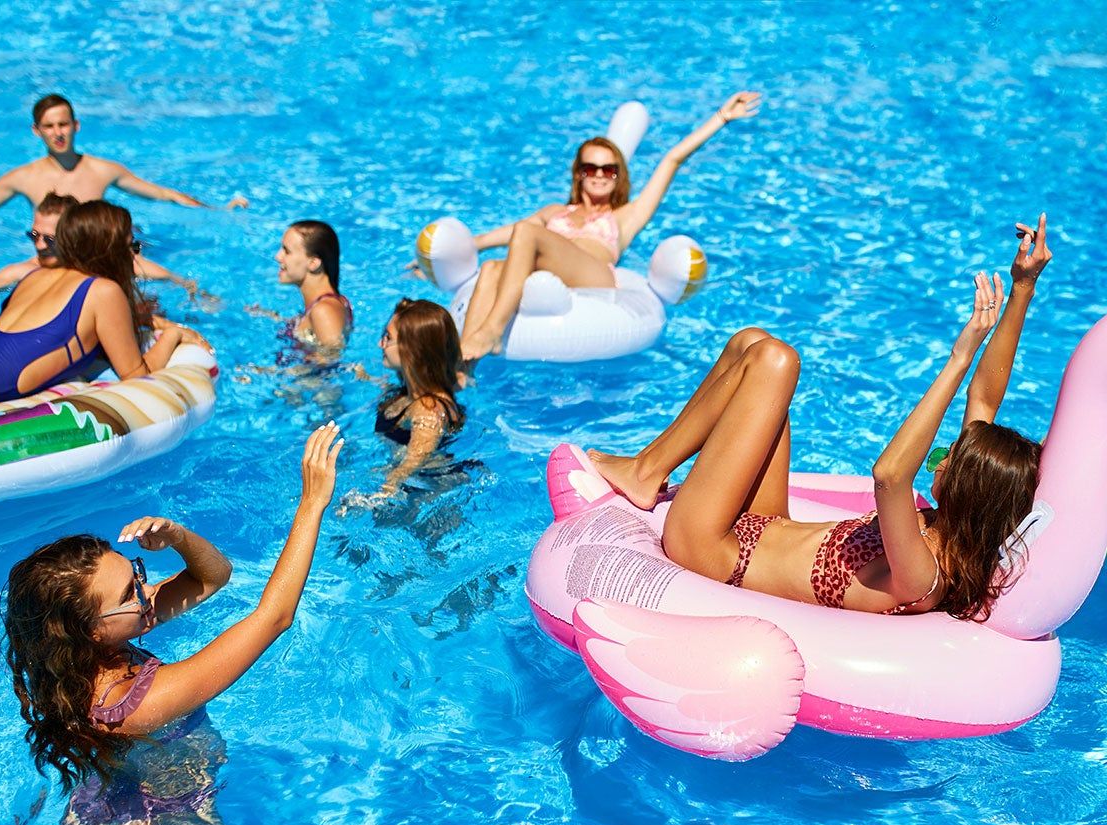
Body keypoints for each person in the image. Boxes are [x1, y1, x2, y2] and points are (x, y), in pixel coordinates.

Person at [589, 216, 1054, 621]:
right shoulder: (947, 526)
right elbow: (986, 400)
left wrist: (960, 355)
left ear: (969, 490)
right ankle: (648, 464)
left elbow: (890, 476)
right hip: (763, 524)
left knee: (776, 360)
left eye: (946, 460)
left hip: (715, 552)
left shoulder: (925, 575)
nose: (940, 457)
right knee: (751, 343)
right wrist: (1022, 288)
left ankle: (646, 471)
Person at [1, 424, 340, 825]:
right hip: (165, 803)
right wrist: (311, 504)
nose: (146, 591)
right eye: (129, 592)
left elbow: (211, 578)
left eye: (137, 574)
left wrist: (178, 536)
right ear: (89, 629)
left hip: (130, 785)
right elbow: (276, 616)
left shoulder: (85, 659)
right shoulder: (142, 702)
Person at [458, 91, 762, 362]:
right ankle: (462, 365)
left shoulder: (625, 216)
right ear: (579, 173)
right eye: (591, 168)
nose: (600, 175)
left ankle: (493, 331)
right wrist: (452, 253)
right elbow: (492, 237)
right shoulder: (556, 211)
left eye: (609, 169)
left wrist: (721, 117)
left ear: (619, 174)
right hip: (550, 269)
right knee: (491, 269)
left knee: (527, 231)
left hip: (595, 275)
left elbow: (672, 161)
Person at [0, 200, 210, 428]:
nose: (135, 253)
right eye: (132, 245)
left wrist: (147, 320)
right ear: (110, 248)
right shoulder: (103, 291)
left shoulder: (36, 276)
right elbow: (137, 375)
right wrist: (171, 335)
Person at [0, 94, 246, 240]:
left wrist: (217, 211)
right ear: (37, 131)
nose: (58, 132)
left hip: (107, 250)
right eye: (49, 126)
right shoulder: (23, 178)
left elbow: (161, 194)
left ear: (76, 125)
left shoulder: (102, 170)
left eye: (63, 124)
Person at [0, 193, 201, 309]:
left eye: (49, 239)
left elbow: (184, 284)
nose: (38, 245)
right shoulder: (23, 271)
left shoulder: (126, 266)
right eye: (34, 235)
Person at [364, 298, 465, 500]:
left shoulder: (427, 410)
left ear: (412, 351)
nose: (380, 343)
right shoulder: (414, 392)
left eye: (387, 337)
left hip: (428, 495)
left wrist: (386, 488)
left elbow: (417, 457)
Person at [247, 221, 352, 355]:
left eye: (287, 251)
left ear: (313, 263)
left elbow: (331, 360)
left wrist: (270, 371)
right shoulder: (326, 305)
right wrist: (273, 317)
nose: (278, 257)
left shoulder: (324, 310)